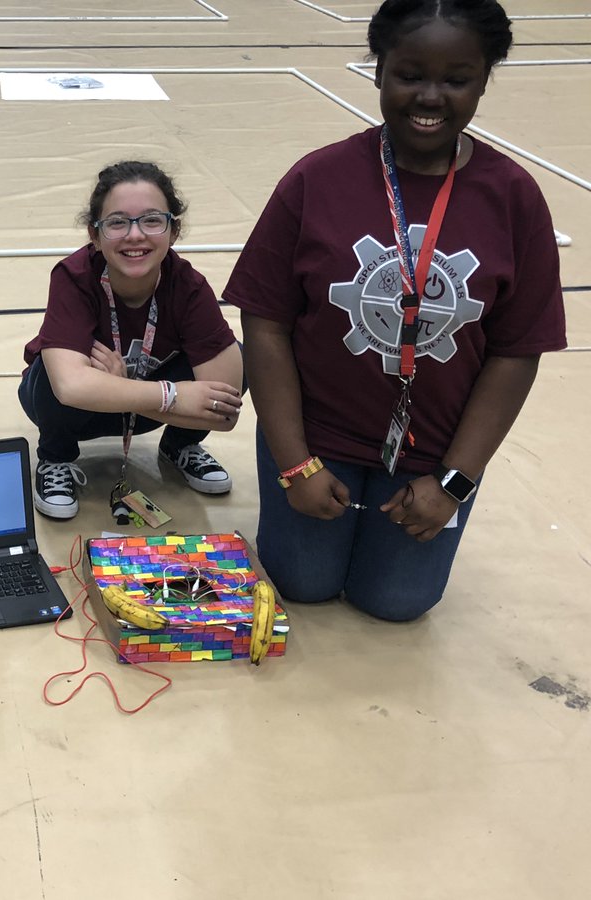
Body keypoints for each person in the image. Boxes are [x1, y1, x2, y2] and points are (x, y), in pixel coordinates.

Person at [224, 0, 566, 621]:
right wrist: (297, 463)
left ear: (485, 79)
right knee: (301, 584)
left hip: (434, 455)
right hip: (316, 440)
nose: (430, 96)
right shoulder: (316, 179)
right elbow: (265, 324)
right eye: (410, 74)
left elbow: (517, 353)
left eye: (456, 79)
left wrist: (453, 482)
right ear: (379, 70)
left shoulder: (514, 199)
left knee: (398, 603)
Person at [18, 160, 244, 519]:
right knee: (52, 368)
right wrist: (171, 395)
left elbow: (225, 409)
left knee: (237, 357)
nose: (135, 235)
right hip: (76, 412)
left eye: (152, 220)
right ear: (95, 235)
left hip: (138, 408)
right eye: (117, 222)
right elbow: (70, 388)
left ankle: (179, 444)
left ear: (174, 230)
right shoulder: (73, 277)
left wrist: (122, 387)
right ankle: (55, 458)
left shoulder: (188, 285)